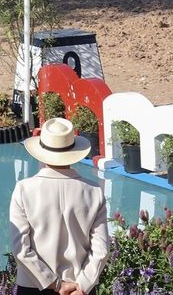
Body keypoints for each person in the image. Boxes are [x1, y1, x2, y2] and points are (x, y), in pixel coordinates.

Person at [9, 118, 109, 295]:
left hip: (35, 285)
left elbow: (21, 250)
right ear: (73, 150)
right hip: (79, 287)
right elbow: (101, 250)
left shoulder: (24, 189)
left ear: (41, 151)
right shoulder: (94, 191)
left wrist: (55, 284)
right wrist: (83, 286)